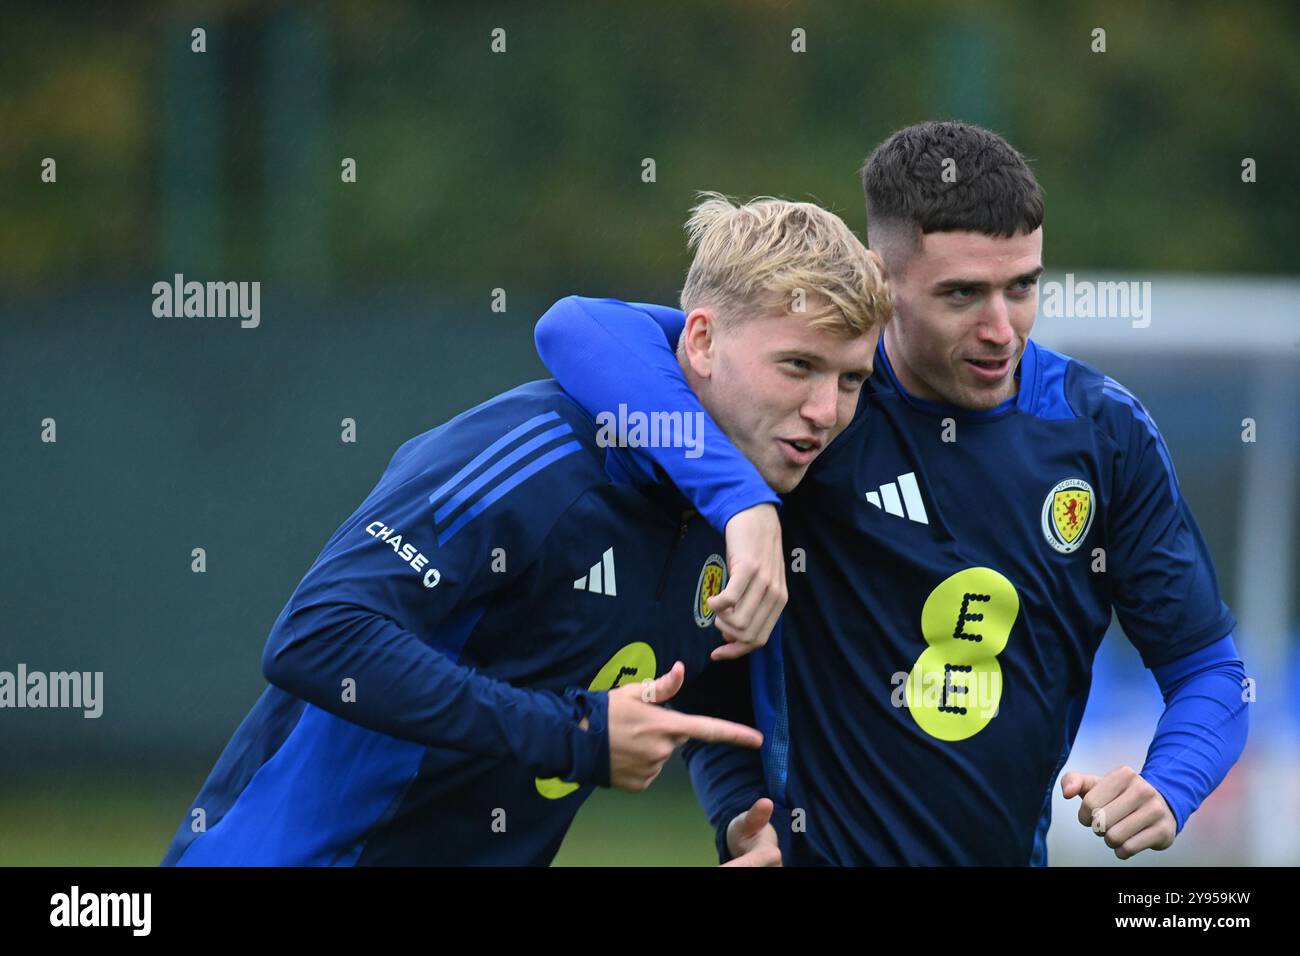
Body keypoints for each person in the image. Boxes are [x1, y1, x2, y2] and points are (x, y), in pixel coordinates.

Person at [534, 121, 1250, 865]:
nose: (1002, 329)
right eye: (963, 294)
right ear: (881, 280)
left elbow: (1208, 669)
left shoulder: (1101, 434)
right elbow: (578, 327)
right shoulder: (816, 407)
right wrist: (739, 812)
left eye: (1023, 287)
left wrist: (1171, 785)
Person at [161, 193, 889, 866]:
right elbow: (319, 636)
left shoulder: (732, 508)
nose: (825, 411)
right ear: (699, 342)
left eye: (850, 380)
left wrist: (738, 815)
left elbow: (704, 688)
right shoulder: (539, 455)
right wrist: (576, 736)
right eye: (798, 366)